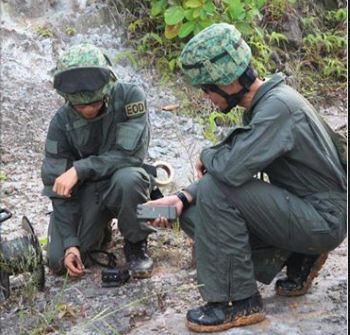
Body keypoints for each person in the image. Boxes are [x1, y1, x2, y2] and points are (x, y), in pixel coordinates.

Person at [147, 23, 347, 332]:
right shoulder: (269, 103)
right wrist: (183, 196)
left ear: (228, 83)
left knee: (214, 190)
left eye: (207, 88)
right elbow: (236, 168)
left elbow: (226, 172)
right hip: (310, 212)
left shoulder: (276, 108)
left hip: (322, 218)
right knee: (192, 214)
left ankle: (237, 302)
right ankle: (298, 255)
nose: (206, 96)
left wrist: (205, 154)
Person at [41, 43, 157, 279]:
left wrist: (80, 169)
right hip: (87, 195)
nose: (89, 108)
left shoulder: (129, 98)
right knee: (59, 263)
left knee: (130, 178)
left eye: (95, 102)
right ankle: (99, 233)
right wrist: (70, 243)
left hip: (121, 183)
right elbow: (58, 188)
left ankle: (135, 244)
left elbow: (130, 156)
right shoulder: (60, 123)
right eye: (81, 105)